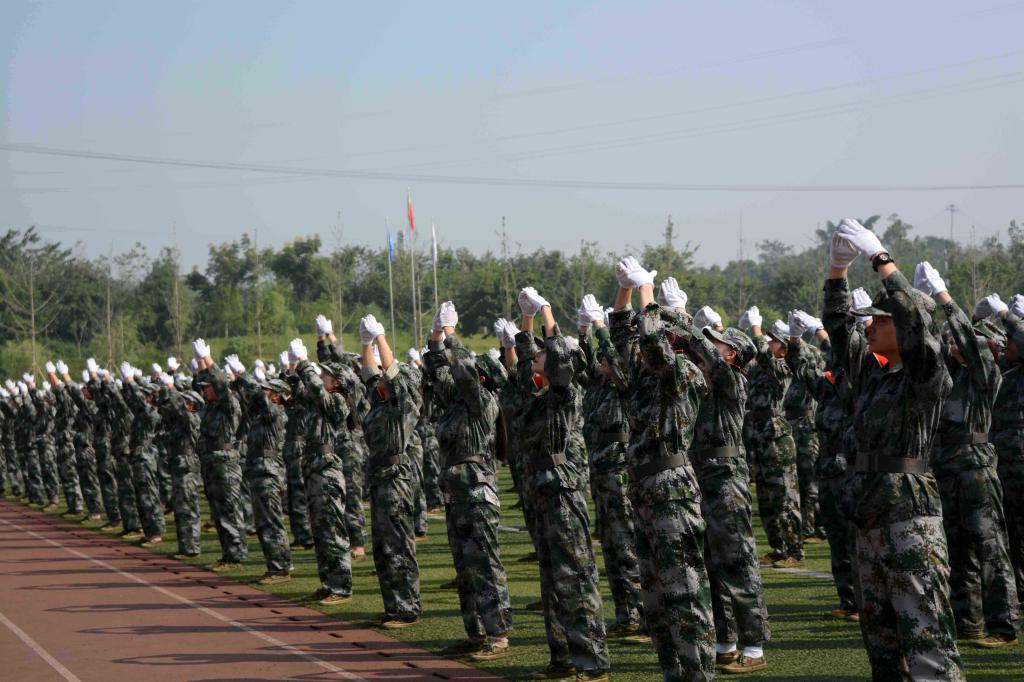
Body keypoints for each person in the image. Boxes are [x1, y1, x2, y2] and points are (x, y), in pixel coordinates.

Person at [823, 219, 962, 680]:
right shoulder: (873, 373)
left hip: (909, 517)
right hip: (869, 514)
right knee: (882, 643)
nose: (871, 325)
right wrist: (837, 271)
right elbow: (839, 329)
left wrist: (881, 260)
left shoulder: (926, 375)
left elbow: (917, 318)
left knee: (926, 638)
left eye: (881, 320)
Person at [610, 260, 714, 681]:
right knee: (655, 601)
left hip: (672, 489)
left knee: (684, 596)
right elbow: (622, 336)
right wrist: (624, 292)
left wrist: (647, 290)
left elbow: (651, 340)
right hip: (646, 488)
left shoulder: (684, 372)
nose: (642, 333)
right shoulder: (645, 376)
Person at [915, 266, 1020, 647]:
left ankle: (1003, 626)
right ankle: (968, 620)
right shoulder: (950, 376)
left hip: (975, 468)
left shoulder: (986, 374)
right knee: (958, 547)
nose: (956, 344)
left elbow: (965, 338)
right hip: (946, 467)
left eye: (965, 342)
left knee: (989, 546)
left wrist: (944, 297)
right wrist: (921, 308)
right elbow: (928, 345)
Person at [515, 286, 609, 682]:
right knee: (552, 579)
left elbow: (558, 358)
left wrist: (547, 311)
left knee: (575, 577)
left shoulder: (564, 391)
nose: (536, 356)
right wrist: (526, 320)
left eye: (542, 353)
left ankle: (592, 663)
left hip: (563, 492)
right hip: (543, 490)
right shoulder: (538, 395)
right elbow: (524, 365)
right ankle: (563, 659)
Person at [425, 301, 513, 660]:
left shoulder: (483, 400)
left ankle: (499, 635)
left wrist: (451, 333)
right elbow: (438, 369)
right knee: (464, 567)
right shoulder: (456, 402)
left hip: (477, 493)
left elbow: (461, 369)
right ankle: (475, 633)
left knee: (485, 565)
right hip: (456, 492)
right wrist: (436, 333)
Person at [577, 293, 646, 644]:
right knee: (612, 545)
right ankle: (627, 615)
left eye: (607, 356)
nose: (602, 360)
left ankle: (643, 614)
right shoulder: (599, 383)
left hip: (619, 466)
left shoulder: (624, 380)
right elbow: (585, 362)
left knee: (627, 543)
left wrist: (601, 328)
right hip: (602, 470)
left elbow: (619, 363)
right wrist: (585, 331)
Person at [360, 314, 423, 628]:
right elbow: (370, 373)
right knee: (383, 548)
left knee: (398, 545)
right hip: (379, 478)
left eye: (387, 377)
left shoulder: (403, 406)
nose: (382, 378)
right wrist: (365, 343)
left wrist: (381, 337)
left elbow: (393, 374)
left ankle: (407, 608)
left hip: (396, 480)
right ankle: (393, 606)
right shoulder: (381, 402)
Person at [287, 337, 355, 603]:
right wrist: (294, 369)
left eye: (326, 374)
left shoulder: (338, 401)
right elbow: (301, 393)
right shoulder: (318, 399)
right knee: (320, 529)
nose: (322, 376)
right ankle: (328, 582)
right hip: (314, 467)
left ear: (336, 382)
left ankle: (342, 586)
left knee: (333, 529)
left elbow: (316, 391)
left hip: (327, 469)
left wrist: (305, 363)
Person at [741, 310, 804, 568]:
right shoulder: (760, 369)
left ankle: (794, 550)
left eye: (774, 340)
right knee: (766, 498)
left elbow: (764, 354)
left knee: (785, 497)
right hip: (759, 435)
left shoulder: (783, 367)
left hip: (777, 437)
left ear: (784, 347)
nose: (769, 342)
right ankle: (778, 547)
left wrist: (756, 329)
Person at [230, 355, 294, 585]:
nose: (264, 392)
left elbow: (256, 394)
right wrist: (237, 381)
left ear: (276, 396)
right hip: (259, 472)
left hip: (269, 474)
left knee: (272, 522)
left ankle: (281, 568)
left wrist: (242, 374)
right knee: (264, 523)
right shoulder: (262, 416)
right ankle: (275, 565)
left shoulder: (276, 412)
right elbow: (248, 399)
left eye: (268, 390)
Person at [193, 338, 248, 572]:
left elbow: (221, 384)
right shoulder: (212, 407)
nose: (204, 390)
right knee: (218, 512)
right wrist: (200, 362)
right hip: (212, 464)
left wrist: (208, 359)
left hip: (226, 464)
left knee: (229, 510)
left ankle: (236, 555)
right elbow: (201, 383)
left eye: (208, 387)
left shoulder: (229, 403)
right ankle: (227, 554)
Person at [992, 293, 1024, 608]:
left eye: (1012, 340)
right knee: (1011, 527)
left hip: (1019, 461)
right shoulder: (1006, 368)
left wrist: (1006, 315)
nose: (1007, 345)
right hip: (1005, 462)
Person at [156, 372, 204, 559]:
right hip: (179, 465)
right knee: (181, 507)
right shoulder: (179, 422)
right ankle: (185, 546)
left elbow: (179, 410)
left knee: (188, 508)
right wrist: (164, 391)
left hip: (187, 466)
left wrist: (171, 388)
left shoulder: (192, 418)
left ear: (191, 405)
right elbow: (165, 409)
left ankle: (192, 548)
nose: (180, 404)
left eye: (184, 401)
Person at [121, 363, 166, 547]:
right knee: (142, 497)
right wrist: (126, 383)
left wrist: (131, 381)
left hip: (146, 458)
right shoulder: (142, 413)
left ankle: (156, 533)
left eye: (147, 395)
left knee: (149, 495)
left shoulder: (153, 413)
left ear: (153, 397)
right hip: (139, 457)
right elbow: (131, 400)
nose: (144, 397)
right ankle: (149, 531)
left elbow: (139, 402)